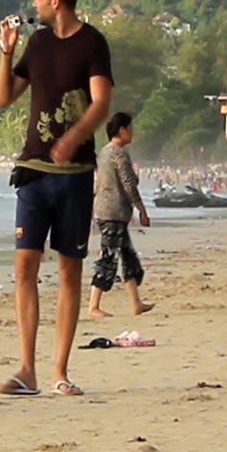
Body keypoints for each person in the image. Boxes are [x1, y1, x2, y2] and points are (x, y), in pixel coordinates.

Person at [0, 0, 113, 397]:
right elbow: (3, 97)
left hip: (75, 174)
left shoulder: (92, 43)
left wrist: (74, 138)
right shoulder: (37, 43)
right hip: (34, 171)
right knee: (24, 264)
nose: (34, 3)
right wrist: (6, 53)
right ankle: (28, 370)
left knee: (68, 270)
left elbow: (102, 102)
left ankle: (60, 370)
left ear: (56, 0)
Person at [88, 112, 154, 318]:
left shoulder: (104, 153)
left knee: (128, 257)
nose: (133, 132)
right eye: (130, 128)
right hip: (113, 212)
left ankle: (136, 303)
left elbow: (98, 184)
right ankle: (93, 306)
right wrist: (142, 209)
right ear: (122, 130)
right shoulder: (118, 153)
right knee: (109, 257)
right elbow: (128, 184)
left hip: (105, 211)